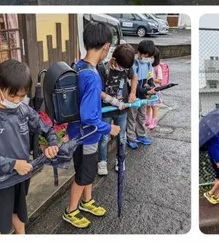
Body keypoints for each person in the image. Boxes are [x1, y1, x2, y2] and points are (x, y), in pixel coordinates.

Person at [0, 60, 59, 235]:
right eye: (13, 96)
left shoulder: (23, 111)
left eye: (22, 96)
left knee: (19, 217)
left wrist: (52, 144)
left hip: (21, 177)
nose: (17, 101)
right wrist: (13, 164)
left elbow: (47, 128)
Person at [63, 22, 120, 228]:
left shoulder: (79, 65)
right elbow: (89, 117)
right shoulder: (93, 75)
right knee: (84, 174)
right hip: (88, 134)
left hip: (76, 132)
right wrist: (109, 128)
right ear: (105, 47)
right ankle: (71, 211)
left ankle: (86, 201)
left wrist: (111, 100)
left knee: (86, 170)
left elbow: (88, 96)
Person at [97, 42, 136, 176]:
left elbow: (134, 77)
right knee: (104, 137)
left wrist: (133, 93)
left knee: (122, 136)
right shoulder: (103, 68)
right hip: (106, 110)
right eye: (121, 66)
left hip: (122, 111)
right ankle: (102, 161)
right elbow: (99, 92)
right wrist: (115, 102)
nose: (122, 69)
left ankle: (120, 160)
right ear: (114, 59)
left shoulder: (126, 67)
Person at [126, 39, 157, 150]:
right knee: (132, 117)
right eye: (144, 54)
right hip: (134, 93)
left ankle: (141, 135)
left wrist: (152, 85)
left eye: (148, 55)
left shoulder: (148, 62)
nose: (146, 57)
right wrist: (145, 91)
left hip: (144, 95)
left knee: (142, 116)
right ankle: (130, 137)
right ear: (139, 51)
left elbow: (150, 77)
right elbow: (132, 82)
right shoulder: (133, 62)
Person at [146, 47, 163, 130]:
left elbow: (160, 80)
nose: (150, 59)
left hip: (155, 90)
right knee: (147, 105)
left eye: (152, 57)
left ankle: (154, 121)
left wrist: (152, 79)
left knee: (154, 106)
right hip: (148, 89)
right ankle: (148, 119)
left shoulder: (157, 67)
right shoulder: (147, 65)